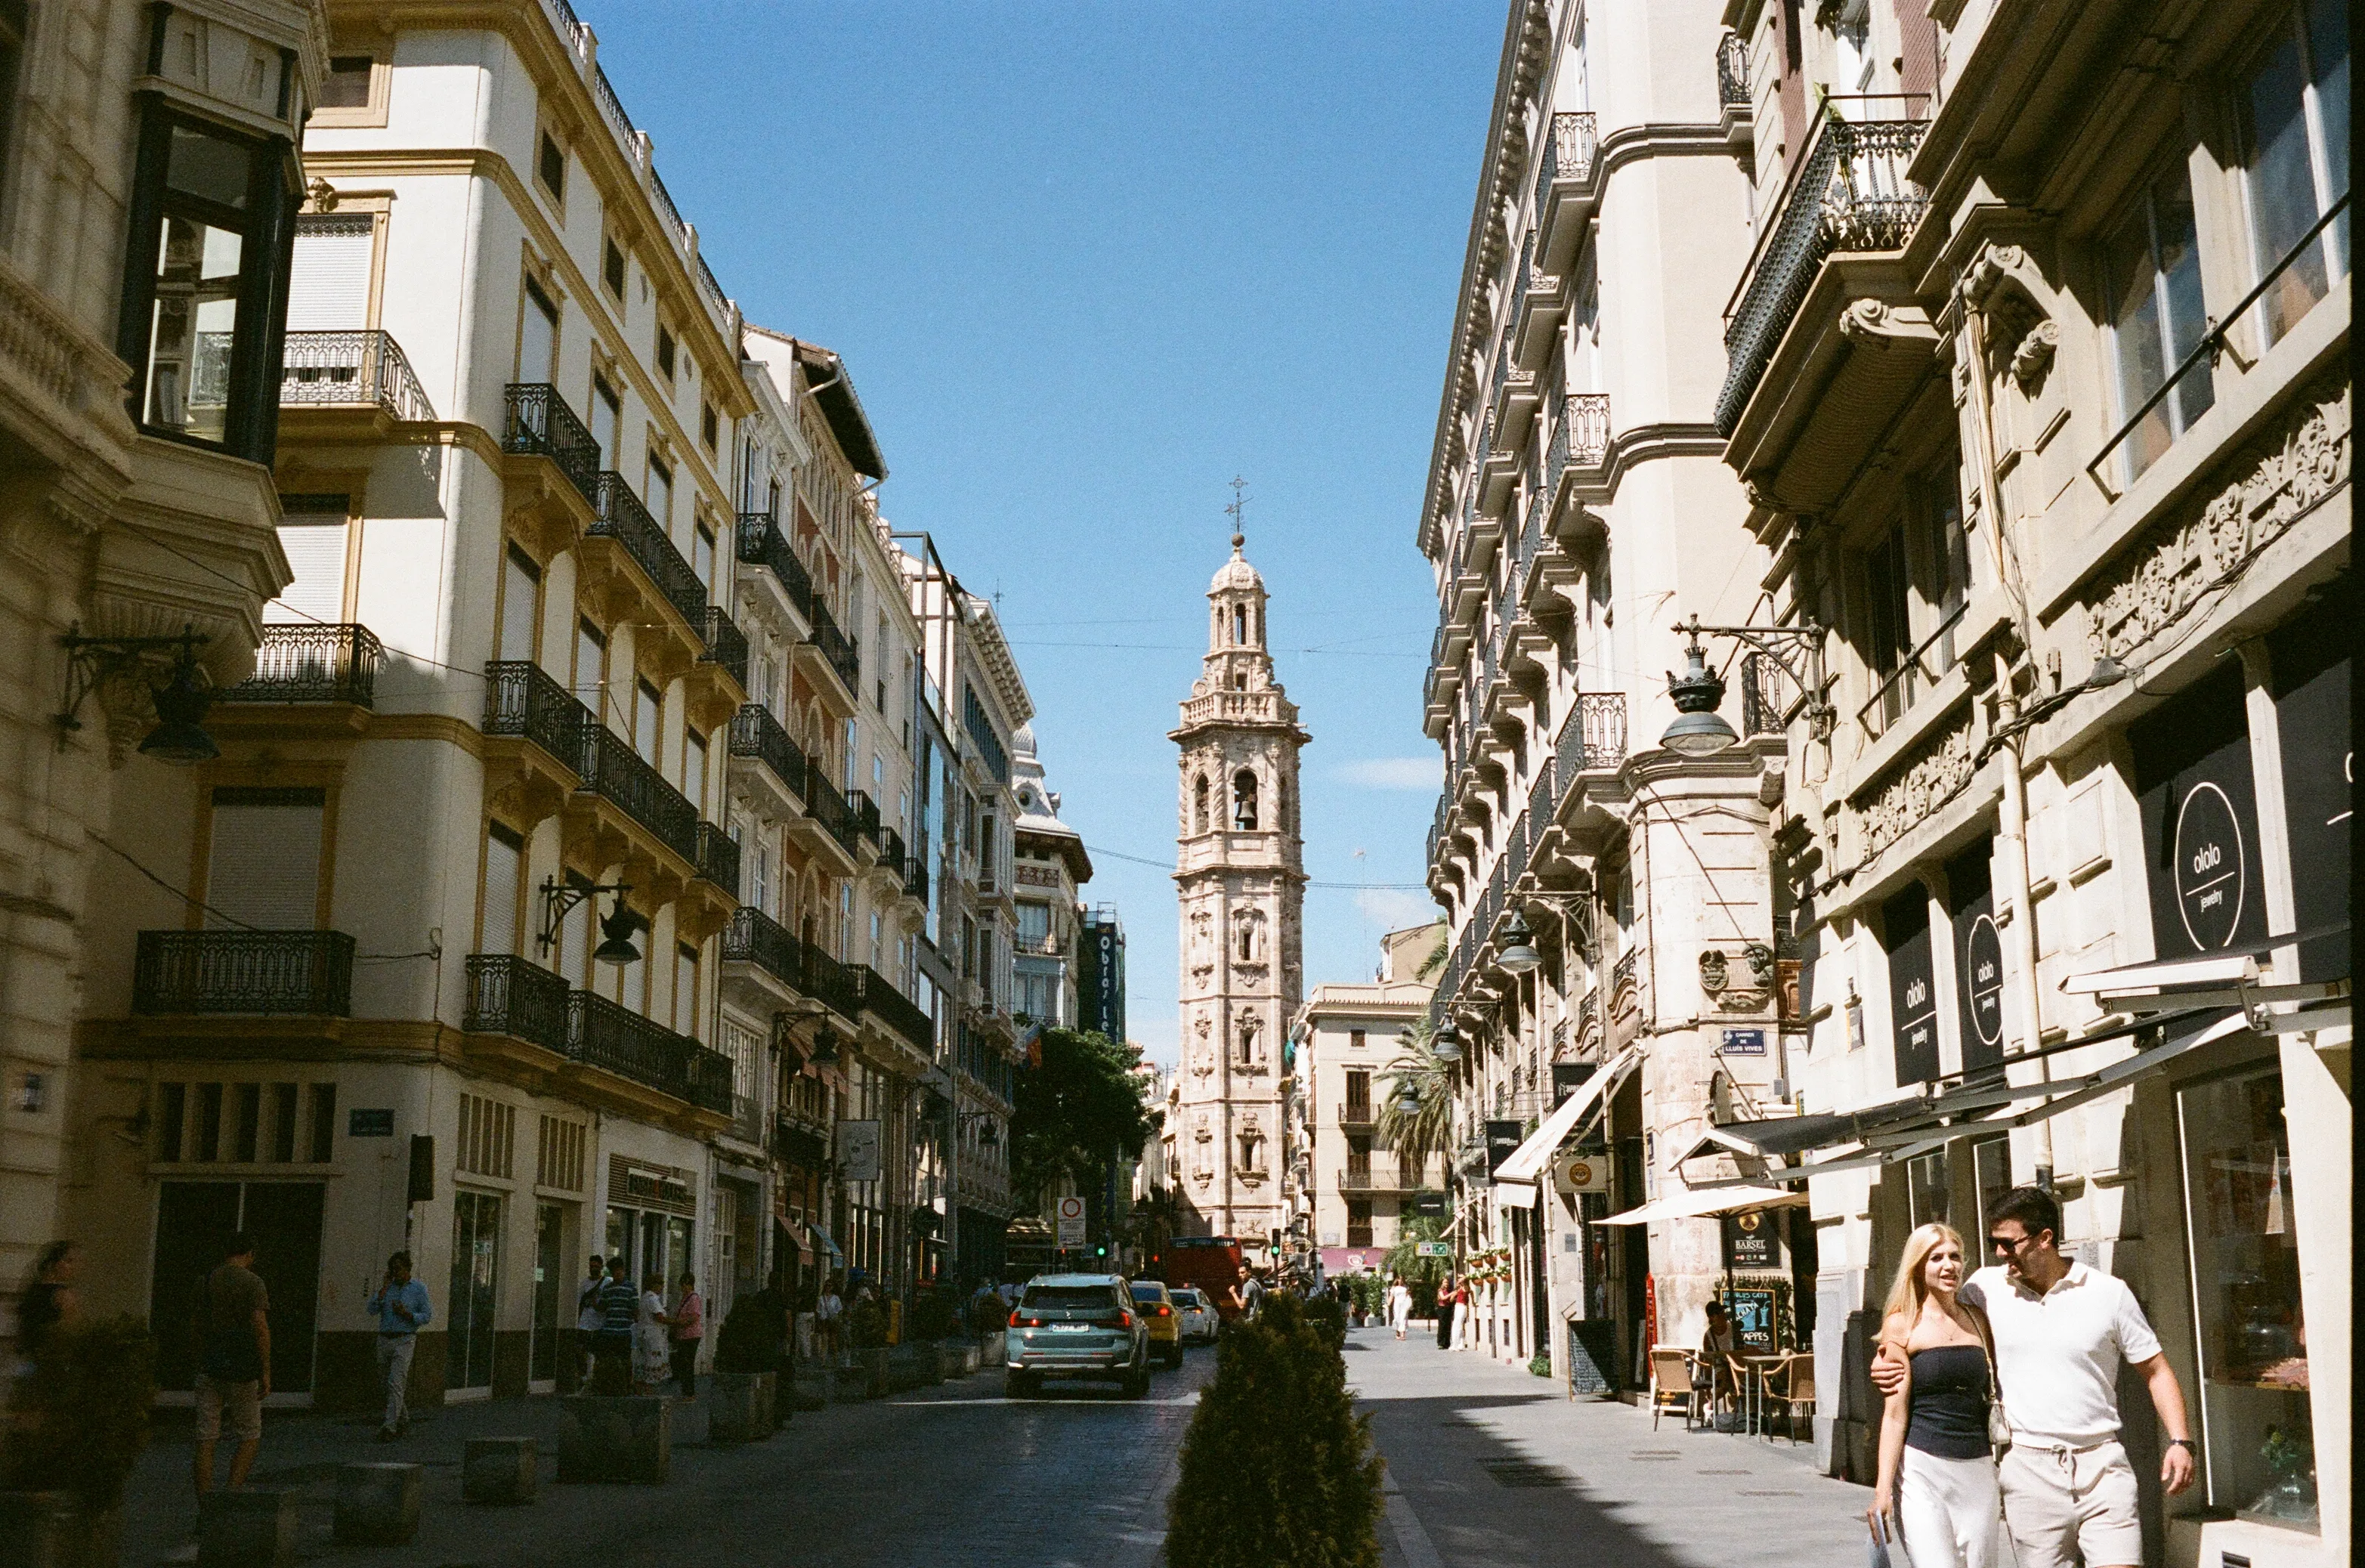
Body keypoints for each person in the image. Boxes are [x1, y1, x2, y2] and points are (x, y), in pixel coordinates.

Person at [1872, 1187, 2195, 1568]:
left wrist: (2180, 1440)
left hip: (2102, 1465)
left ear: (2045, 1239)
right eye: (1994, 1243)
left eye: (2008, 1243)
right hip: (2028, 1471)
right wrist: (1889, 1355)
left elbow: (2156, 1370)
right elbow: (1925, 1327)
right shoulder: (1986, 1289)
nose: (1999, 1254)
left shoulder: (2109, 1294)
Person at [1867, 1223, 2006, 1568]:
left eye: (1955, 1257)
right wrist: (1883, 1488)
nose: (1949, 1266)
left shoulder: (1977, 1320)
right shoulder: (1902, 1324)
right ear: (1918, 1266)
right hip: (1921, 1467)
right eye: (1936, 1258)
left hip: (1977, 1466)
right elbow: (1895, 1414)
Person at [193, 1232, 270, 1498]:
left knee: (206, 1436)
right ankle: (230, 1495)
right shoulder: (253, 1283)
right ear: (249, 1254)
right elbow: (260, 1327)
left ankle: (204, 1502)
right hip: (241, 1364)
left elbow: (197, 1323)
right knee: (249, 1432)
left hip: (210, 1362)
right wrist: (266, 1370)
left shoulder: (206, 1281)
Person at [364, 1251, 431, 1441]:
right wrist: (384, 1289)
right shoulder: (389, 1288)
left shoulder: (418, 1289)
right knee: (387, 1382)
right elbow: (371, 1309)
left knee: (396, 1381)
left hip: (405, 1339)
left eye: (399, 1269)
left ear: (407, 1269)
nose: (396, 1273)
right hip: (385, 1339)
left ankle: (390, 1427)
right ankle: (403, 1417)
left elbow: (427, 1315)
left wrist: (408, 1315)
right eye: (393, 1270)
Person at [16, 1241, 82, 1369]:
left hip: (28, 1359)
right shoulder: (64, 1295)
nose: (75, 1267)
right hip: (52, 1363)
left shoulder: (31, 1291)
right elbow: (73, 1330)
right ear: (53, 1264)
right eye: (69, 1261)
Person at [594, 1257, 638, 1390]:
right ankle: (612, 1382)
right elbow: (602, 1307)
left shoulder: (631, 1288)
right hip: (610, 1329)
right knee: (609, 1358)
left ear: (623, 1271)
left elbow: (635, 1307)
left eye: (619, 1271)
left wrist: (636, 1319)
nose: (617, 1275)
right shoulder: (607, 1289)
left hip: (624, 1330)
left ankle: (628, 1383)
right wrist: (595, 1303)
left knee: (625, 1358)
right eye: (614, 1272)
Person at [1699, 1300, 1745, 1423]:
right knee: (1725, 1376)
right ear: (1712, 1318)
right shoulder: (1708, 1336)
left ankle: (1737, 1408)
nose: (1723, 1315)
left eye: (1722, 1312)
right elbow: (1708, 1359)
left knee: (1740, 1375)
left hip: (1736, 1364)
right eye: (1719, 1313)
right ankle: (1713, 1405)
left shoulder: (1733, 1329)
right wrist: (1708, 1381)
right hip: (1719, 1367)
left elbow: (1742, 1348)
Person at [634, 1270, 672, 1396]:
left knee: (643, 1359)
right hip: (652, 1335)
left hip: (643, 1333)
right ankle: (648, 1390)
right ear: (654, 1285)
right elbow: (659, 1317)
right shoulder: (652, 1299)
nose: (662, 1287)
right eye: (661, 1284)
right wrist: (675, 1322)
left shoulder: (645, 1297)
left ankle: (640, 1388)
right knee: (652, 1360)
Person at [669, 1272, 703, 1399]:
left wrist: (679, 1323)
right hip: (684, 1335)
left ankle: (689, 1393)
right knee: (684, 1363)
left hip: (691, 1335)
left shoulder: (693, 1298)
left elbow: (694, 1317)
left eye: (684, 1285)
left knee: (687, 1364)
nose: (682, 1288)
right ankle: (686, 1391)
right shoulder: (686, 1298)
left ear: (689, 1285)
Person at [575, 1255, 607, 1387]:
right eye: (591, 1266)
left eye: (596, 1266)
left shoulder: (607, 1282)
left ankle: (597, 1377)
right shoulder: (584, 1283)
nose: (593, 1269)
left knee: (598, 1352)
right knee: (580, 1350)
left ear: (601, 1267)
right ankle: (583, 1376)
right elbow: (580, 1302)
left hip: (600, 1323)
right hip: (585, 1323)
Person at [814, 1275, 844, 1364]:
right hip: (824, 1321)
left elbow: (839, 1309)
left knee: (833, 1340)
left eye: (830, 1286)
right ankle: (823, 1360)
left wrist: (837, 1317)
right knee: (824, 1340)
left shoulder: (836, 1298)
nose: (828, 1287)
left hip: (833, 1321)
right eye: (826, 1285)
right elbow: (818, 1310)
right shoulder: (821, 1298)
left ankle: (835, 1358)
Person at [1435, 1272, 1458, 1350]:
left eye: (1447, 1282)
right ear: (1442, 1283)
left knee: (1448, 1326)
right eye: (1445, 1282)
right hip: (1441, 1309)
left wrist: (1453, 1296)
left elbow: (1451, 1300)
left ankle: (1447, 1343)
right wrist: (1451, 1294)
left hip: (1448, 1308)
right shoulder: (1440, 1290)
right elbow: (1443, 1298)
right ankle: (1440, 1343)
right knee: (1442, 1326)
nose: (1446, 1284)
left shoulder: (1449, 1290)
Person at [1387, 1276, 1413, 1340]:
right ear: (1397, 1280)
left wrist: (1409, 1304)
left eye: (1402, 1279)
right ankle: (1398, 1332)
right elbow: (1391, 1296)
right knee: (1397, 1318)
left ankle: (1403, 1334)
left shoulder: (1406, 1287)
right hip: (1397, 1304)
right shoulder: (1394, 1288)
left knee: (1403, 1318)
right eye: (1399, 1279)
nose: (1401, 1280)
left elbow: (1408, 1296)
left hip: (1404, 1304)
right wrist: (1388, 1304)